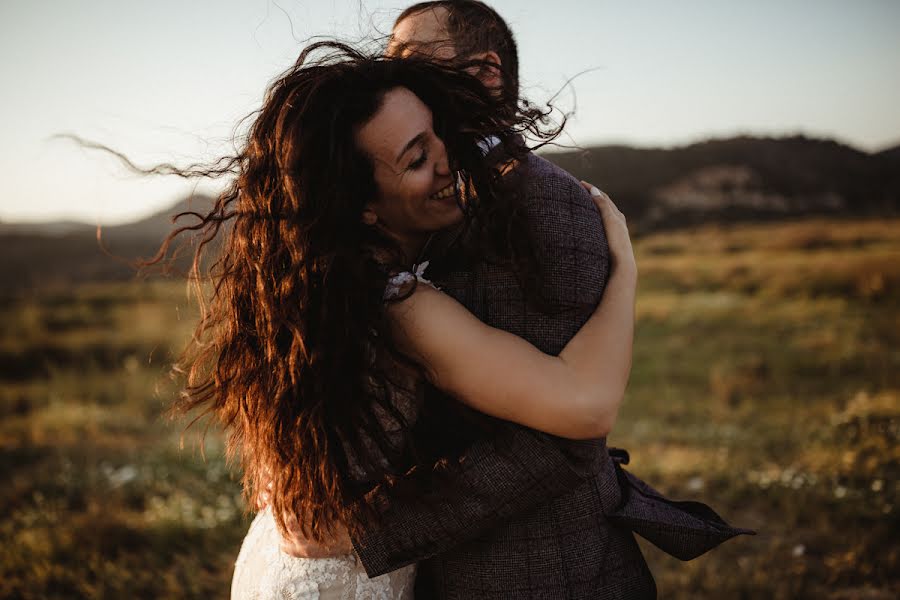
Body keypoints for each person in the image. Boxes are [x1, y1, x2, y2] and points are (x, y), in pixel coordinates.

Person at [293, 2, 748, 599]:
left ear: (486, 73)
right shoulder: (413, 208)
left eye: (407, 60)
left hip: (537, 574)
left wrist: (364, 528)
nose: (392, 77)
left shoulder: (540, 205)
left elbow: (561, 437)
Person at [157, 41, 636, 598]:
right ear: (359, 205)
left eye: (439, 134)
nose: (449, 159)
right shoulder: (398, 303)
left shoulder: (315, 289)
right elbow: (587, 406)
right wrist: (622, 269)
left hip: (280, 566)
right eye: (416, 158)